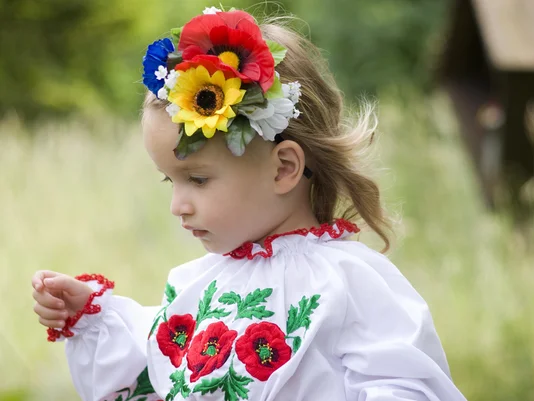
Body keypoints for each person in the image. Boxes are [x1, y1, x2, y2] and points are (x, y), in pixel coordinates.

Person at [31, 7, 467, 401]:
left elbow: (407, 385)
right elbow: (160, 373)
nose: (177, 205)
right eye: (171, 181)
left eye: (197, 179)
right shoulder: (199, 284)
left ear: (283, 169)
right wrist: (93, 317)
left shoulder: (349, 280)